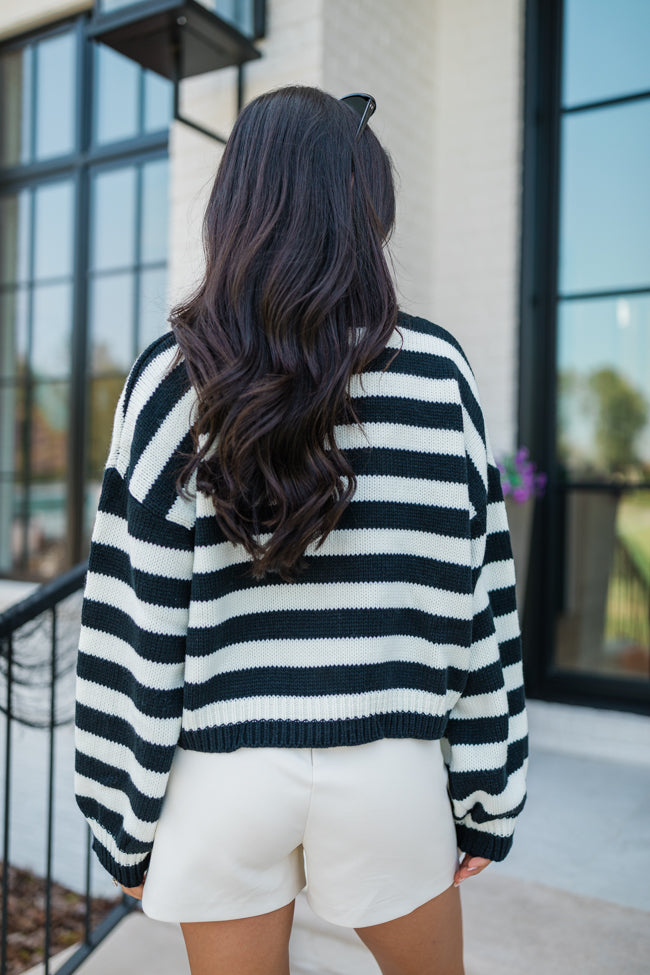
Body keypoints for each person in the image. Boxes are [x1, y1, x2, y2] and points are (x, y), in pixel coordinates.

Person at [74, 85, 528, 975]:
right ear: (368, 211)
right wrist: (487, 793)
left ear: (236, 204)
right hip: (388, 764)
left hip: (221, 772)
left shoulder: (173, 376)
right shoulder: (438, 373)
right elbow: (481, 604)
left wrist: (121, 816)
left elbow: (133, 620)